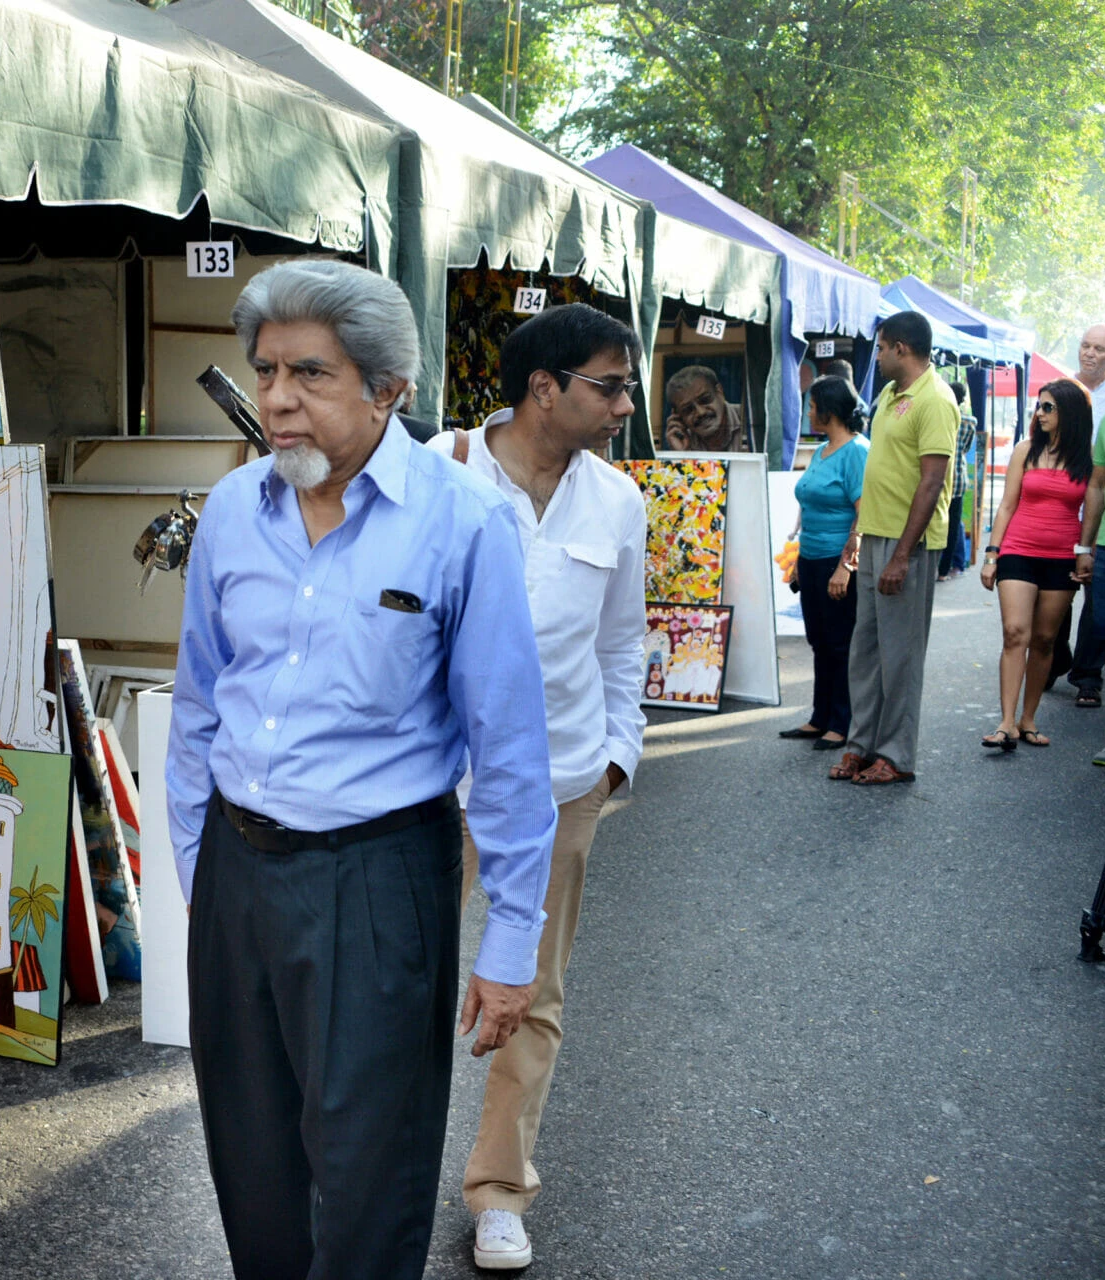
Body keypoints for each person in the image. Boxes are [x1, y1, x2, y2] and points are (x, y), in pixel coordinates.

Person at [165, 259, 559, 1280]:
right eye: (266, 372)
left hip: (380, 878)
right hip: (238, 873)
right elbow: (200, 704)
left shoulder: (462, 522)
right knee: (250, 1158)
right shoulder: (229, 514)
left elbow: (508, 747)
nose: (279, 399)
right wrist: (198, 865)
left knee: (369, 1172)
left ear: (389, 390)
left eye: (311, 373)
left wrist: (512, 939)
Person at [424, 303, 646, 1271]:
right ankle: (366, 1171)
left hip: (562, 780)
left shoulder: (618, 501)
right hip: (436, 782)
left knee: (530, 991)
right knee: (404, 977)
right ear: (543, 387)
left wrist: (615, 755)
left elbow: (623, 639)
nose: (627, 405)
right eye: (610, 385)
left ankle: (499, 1189)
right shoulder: (441, 469)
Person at [830, 311, 954, 786]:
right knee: (866, 651)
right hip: (876, 534)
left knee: (900, 656)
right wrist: (857, 535)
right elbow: (881, 469)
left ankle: (897, 755)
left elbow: (932, 480)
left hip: (910, 543)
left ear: (901, 347)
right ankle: (861, 745)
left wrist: (903, 554)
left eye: (880, 348)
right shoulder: (889, 394)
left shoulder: (936, 399)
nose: (876, 356)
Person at [978, 378, 1094, 748]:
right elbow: (1007, 504)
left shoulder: (1087, 461)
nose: (1039, 413)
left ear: (1069, 414)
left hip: (1061, 556)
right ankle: (1006, 722)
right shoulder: (1025, 451)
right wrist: (992, 554)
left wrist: (1084, 551)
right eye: (1038, 406)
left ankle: (1028, 720)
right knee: (1015, 633)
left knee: (1045, 640)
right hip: (1018, 549)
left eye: (1048, 407)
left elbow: (1093, 507)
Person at [780, 376, 869, 749]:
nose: (809, 412)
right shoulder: (822, 450)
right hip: (812, 558)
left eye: (813, 406)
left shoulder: (857, 451)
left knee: (839, 643)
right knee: (818, 640)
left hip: (836, 561)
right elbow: (810, 507)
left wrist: (845, 567)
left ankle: (841, 721)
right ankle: (820, 716)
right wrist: (800, 556)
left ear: (829, 409)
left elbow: (864, 516)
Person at [1064, 324, 1105, 711]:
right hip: (1060, 504)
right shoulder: (1062, 391)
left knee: (1096, 601)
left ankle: (1087, 675)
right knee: (1056, 591)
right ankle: (1054, 656)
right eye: (1085, 346)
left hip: (1097, 510)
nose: (1090, 353)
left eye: (1099, 348)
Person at [663, 364, 748, 452]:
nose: (700, 412)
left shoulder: (749, 420)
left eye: (705, 400)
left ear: (719, 392)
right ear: (678, 416)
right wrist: (683, 454)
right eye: (688, 409)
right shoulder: (684, 439)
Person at [941, 381, 976, 580]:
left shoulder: (940, 416)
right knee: (953, 526)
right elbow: (965, 448)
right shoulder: (969, 422)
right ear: (963, 400)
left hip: (938, 478)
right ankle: (945, 570)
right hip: (958, 477)